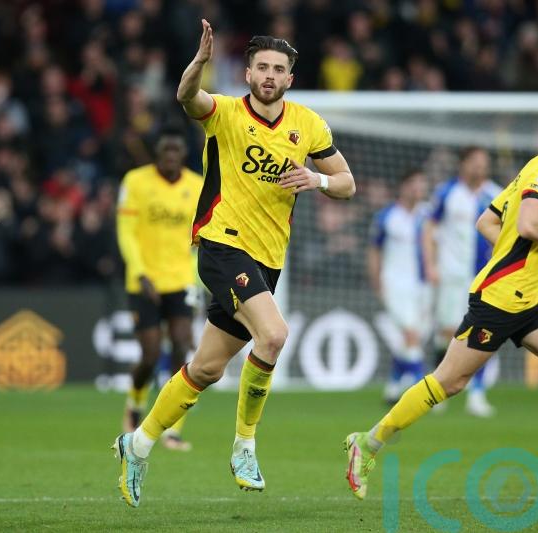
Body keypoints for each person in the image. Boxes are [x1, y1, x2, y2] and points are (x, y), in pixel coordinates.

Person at [112, 20, 356, 507]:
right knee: (275, 335)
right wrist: (199, 63)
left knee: (205, 370)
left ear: (289, 79)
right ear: (247, 74)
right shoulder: (223, 113)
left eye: (278, 69)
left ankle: (135, 445)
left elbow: (347, 182)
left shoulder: (308, 125)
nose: (269, 75)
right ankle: (245, 444)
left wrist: (318, 180)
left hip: (269, 259)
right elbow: (187, 98)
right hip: (221, 246)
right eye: (261, 67)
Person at [345, 114, 538, 506]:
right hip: (499, 300)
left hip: (530, 298)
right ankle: (368, 443)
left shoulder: (535, 171)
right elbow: (530, 224)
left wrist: (530, 256)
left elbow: (489, 221)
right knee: (448, 382)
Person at [116, 124, 204, 452]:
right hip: (144, 281)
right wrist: (139, 272)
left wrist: (194, 282)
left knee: (182, 348)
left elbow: (200, 240)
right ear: (156, 155)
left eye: (175, 152)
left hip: (180, 279)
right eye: (164, 152)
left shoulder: (196, 187)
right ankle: (135, 404)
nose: (170, 158)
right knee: (151, 355)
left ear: (183, 156)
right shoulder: (135, 182)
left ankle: (172, 429)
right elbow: (126, 231)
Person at [423, 146, 502, 417]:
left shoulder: (497, 194)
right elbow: (430, 227)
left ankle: (477, 394)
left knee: (483, 334)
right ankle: (438, 389)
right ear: (463, 164)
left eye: (484, 162)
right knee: (447, 332)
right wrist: (431, 264)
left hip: (487, 277)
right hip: (452, 275)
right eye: (475, 162)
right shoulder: (447, 193)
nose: (480, 167)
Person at [367, 169, 431, 404]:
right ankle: (422, 393)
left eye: (421, 184)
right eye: (413, 183)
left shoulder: (428, 215)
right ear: (403, 187)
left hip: (422, 286)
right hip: (394, 285)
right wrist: (376, 279)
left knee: (411, 339)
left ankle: (393, 388)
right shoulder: (387, 217)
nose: (418, 189)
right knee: (411, 335)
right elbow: (374, 249)